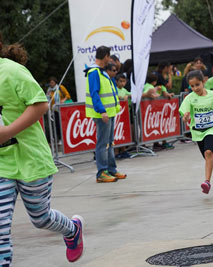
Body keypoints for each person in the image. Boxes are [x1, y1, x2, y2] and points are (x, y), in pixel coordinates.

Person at [0, 37, 84, 264]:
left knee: (40, 218)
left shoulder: (13, 72)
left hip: (31, 159)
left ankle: (72, 230)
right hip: (2, 165)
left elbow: (40, 105)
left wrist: (7, 132)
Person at [179, 70, 213, 194]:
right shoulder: (190, 98)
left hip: (212, 128)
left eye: (197, 84)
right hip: (198, 131)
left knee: (207, 153)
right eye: (192, 86)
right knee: (208, 157)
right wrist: (185, 116)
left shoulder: (212, 94)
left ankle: (207, 182)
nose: (195, 88)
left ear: (203, 82)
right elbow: (184, 111)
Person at [84, 46, 127, 182]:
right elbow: (94, 93)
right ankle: (102, 172)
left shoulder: (101, 72)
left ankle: (111, 170)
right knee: (103, 144)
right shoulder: (94, 72)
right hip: (103, 114)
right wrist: (102, 110)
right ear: (106, 56)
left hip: (109, 113)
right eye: (109, 57)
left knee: (109, 143)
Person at [46, 76, 72, 144]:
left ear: (55, 82)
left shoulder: (60, 87)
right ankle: (60, 138)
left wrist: (64, 99)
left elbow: (68, 95)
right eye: (50, 83)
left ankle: (67, 138)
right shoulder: (49, 90)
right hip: (54, 110)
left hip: (62, 109)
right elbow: (48, 99)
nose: (51, 84)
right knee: (57, 125)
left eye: (52, 82)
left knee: (64, 124)